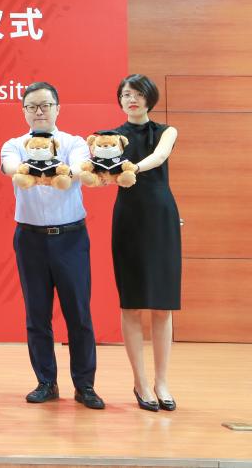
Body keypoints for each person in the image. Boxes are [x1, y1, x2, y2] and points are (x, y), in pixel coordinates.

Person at [0, 81, 105, 409]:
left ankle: (85, 386)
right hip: (30, 239)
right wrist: (35, 171)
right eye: (32, 106)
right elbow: (11, 169)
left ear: (57, 108)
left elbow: (79, 170)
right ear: (24, 111)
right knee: (37, 314)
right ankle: (46, 382)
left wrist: (51, 172)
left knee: (78, 314)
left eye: (45, 105)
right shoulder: (14, 144)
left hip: (70, 238)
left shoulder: (74, 143)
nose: (39, 112)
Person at [111, 74, 181, 412]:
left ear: (150, 98)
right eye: (126, 94)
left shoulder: (166, 131)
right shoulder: (111, 137)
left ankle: (161, 381)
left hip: (161, 217)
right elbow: (101, 170)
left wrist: (131, 169)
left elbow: (159, 157)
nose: (132, 99)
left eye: (138, 93)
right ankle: (140, 382)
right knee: (131, 303)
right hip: (128, 219)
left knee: (163, 304)